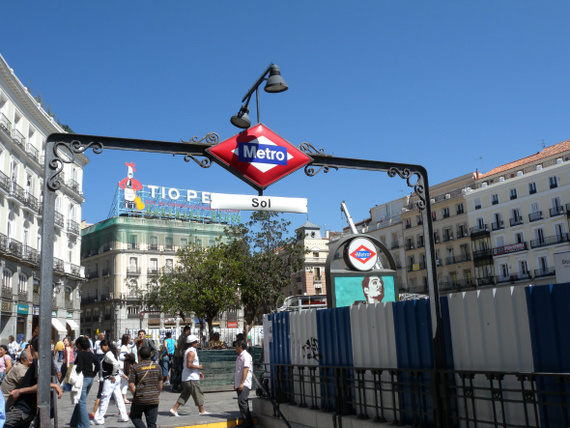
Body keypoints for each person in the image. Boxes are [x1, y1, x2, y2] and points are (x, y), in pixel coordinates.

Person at [4, 336, 63, 428]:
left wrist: (19, 391)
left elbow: (40, 385)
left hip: (23, 409)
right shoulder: (47, 362)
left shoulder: (38, 362)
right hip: (30, 410)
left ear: (31, 347)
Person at [169, 335, 209, 417]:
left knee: (185, 394)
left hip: (188, 377)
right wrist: (199, 367)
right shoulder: (191, 352)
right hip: (191, 378)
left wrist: (199, 372)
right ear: (192, 343)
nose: (197, 343)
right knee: (198, 393)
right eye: (196, 342)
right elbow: (189, 365)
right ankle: (201, 411)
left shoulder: (190, 351)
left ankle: (174, 409)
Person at [93, 339, 129, 425]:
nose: (101, 349)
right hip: (116, 378)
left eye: (102, 347)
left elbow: (115, 364)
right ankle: (123, 416)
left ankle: (99, 418)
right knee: (119, 398)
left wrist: (112, 375)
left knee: (105, 398)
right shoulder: (113, 352)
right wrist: (118, 374)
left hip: (110, 379)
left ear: (106, 346)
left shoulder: (108, 354)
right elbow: (116, 365)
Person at [128, 346, 163, 428]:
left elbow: (131, 385)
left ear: (139, 355)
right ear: (150, 354)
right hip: (153, 398)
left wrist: (135, 395)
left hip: (140, 398)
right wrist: (157, 393)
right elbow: (160, 382)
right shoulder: (157, 366)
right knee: (152, 423)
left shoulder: (136, 367)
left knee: (135, 416)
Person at [69, 337, 99, 428]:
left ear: (78, 345)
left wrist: (74, 371)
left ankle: (85, 425)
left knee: (81, 402)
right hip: (90, 379)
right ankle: (74, 423)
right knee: (80, 400)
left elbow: (79, 368)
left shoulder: (80, 354)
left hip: (83, 379)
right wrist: (94, 373)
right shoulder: (91, 354)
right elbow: (98, 364)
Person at [234, 339, 254, 428]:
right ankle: (247, 421)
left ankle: (248, 423)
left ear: (240, 347)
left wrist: (242, 383)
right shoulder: (239, 356)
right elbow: (238, 371)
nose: (235, 348)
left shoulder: (246, 356)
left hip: (245, 383)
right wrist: (236, 383)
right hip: (239, 383)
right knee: (243, 403)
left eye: (236, 346)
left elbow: (245, 370)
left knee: (242, 402)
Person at [172, 325, 190, 393]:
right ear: (187, 330)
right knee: (181, 372)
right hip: (180, 356)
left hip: (177, 355)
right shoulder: (184, 336)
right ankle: (175, 386)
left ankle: (175, 386)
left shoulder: (181, 336)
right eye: (189, 330)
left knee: (177, 372)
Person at [118, 334, 133, 404]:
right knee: (125, 382)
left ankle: (122, 397)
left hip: (125, 366)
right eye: (129, 338)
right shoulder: (123, 347)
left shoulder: (127, 346)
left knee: (125, 382)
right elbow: (121, 357)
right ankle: (123, 398)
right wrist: (129, 358)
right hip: (123, 366)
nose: (130, 339)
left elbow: (133, 345)